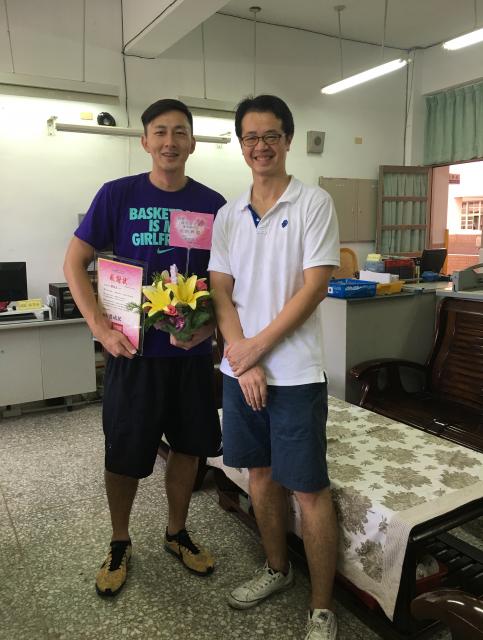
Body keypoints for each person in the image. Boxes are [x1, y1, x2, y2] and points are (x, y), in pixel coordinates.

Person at [64, 98, 225, 597]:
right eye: (160, 132)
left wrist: (212, 329)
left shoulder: (214, 204)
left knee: (189, 448)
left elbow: (226, 281)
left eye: (180, 132)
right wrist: (100, 328)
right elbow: (74, 263)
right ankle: (119, 541)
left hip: (190, 358)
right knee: (124, 454)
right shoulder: (117, 195)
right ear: (145, 141)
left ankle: (177, 533)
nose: (170, 142)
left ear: (192, 142)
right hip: (132, 355)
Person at [208, 95, 340, 640]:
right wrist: (242, 359)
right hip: (241, 372)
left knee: (308, 488)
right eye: (250, 137)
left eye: (270, 136)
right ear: (241, 145)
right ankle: (277, 568)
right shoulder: (227, 214)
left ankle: (322, 608)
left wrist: (255, 349)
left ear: (287, 139)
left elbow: (315, 287)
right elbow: (220, 289)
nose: (260, 146)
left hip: (296, 374)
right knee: (258, 475)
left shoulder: (314, 203)